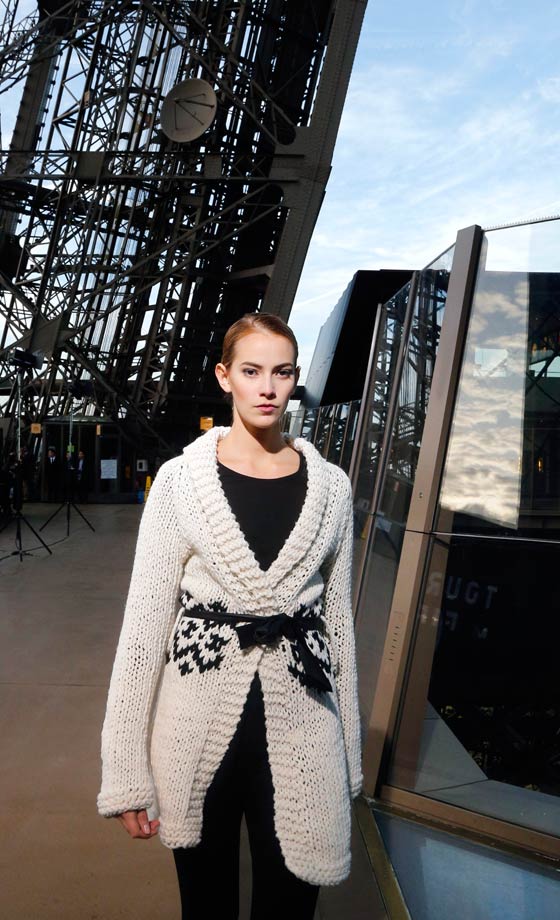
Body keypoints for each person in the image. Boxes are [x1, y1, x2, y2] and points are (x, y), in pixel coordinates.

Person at [97, 313, 362, 919]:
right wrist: (124, 768)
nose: (267, 388)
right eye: (251, 371)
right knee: (206, 906)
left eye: (281, 372)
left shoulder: (332, 488)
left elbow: (340, 629)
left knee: (291, 905)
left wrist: (350, 756)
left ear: (295, 378)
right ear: (225, 377)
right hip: (195, 727)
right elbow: (142, 631)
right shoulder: (179, 484)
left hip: (305, 725)